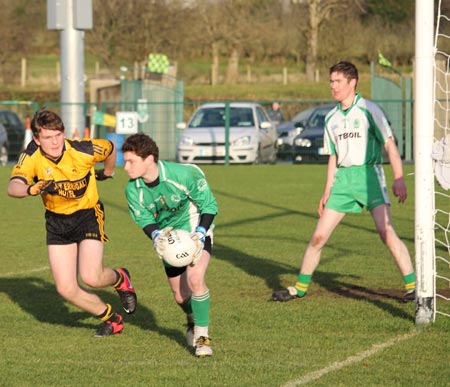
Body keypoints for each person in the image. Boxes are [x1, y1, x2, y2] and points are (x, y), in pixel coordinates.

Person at [272, 61, 416, 303]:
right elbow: (333, 156)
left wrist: (399, 178)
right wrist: (327, 190)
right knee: (318, 237)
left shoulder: (370, 109)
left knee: (386, 233)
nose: (333, 86)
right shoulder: (331, 118)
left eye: (338, 81)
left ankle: (412, 286)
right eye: (331, 81)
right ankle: (300, 288)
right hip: (343, 181)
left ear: (352, 82)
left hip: (369, 176)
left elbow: (390, 145)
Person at [7, 109, 137, 337]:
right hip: (57, 221)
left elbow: (109, 147)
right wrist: (29, 189)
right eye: (47, 137)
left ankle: (120, 278)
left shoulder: (81, 149)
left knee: (91, 277)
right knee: (65, 288)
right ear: (37, 139)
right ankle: (111, 319)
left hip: (87, 215)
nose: (55, 142)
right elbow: (13, 186)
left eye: (58, 135)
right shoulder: (31, 156)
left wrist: (107, 172)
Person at [121, 133, 218, 357]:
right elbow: (144, 219)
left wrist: (201, 233)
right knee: (180, 296)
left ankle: (202, 339)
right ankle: (192, 321)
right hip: (169, 236)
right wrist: (156, 236)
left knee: (195, 279)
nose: (126, 167)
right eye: (125, 161)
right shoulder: (133, 189)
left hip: (194, 226)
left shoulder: (183, 174)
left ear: (149, 159)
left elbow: (209, 205)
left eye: (131, 161)